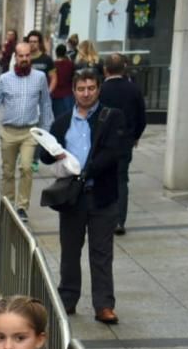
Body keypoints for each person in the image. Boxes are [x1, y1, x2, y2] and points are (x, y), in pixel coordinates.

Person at [39, 69, 126, 325]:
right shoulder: (63, 121)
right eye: (81, 88)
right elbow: (44, 155)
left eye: (91, 88)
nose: (86, 93)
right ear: (74, 91)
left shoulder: (112, 117)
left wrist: (84, 171)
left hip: (101, 195)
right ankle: (67, 298)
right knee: (69, 251)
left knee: (101, 253)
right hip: (72, 197)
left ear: (98, 89)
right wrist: (52, 152)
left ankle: (104, 305)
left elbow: (113, 153)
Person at [0, 42, 53, 221]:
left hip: (30, 130)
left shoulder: (40, 77)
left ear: (31, 56)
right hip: (9, 131)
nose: (24, 59)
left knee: (27, 167)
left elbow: (45, 104)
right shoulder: (5, 79)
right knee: (7, 171)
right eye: (21, 56)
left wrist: (46, 132)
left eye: (27, 55)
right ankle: (8, 204)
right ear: (15, 57)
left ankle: (22, 206)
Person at [99, 54, 147, 237]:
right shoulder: (133, 89)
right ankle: (119, 220)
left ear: (105, 69)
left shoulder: (100, 90)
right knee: (121, 179)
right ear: (124, 68)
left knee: (103, 177)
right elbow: (142, 117)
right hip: (124, 141)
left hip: (104, 142)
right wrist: (135, 136)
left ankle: (104, 216)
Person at [50, 44, 76, 120]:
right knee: (68, 119)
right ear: (65, 53)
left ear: (56, 53)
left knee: (57, 119)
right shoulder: (70, 64)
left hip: (55, 94)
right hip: (68, 94)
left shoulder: (52, 65)